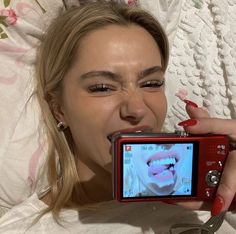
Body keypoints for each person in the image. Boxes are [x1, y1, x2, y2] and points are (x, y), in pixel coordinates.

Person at [0, 1, 235, 233]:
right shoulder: (24, 228)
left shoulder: (215, 195)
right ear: (59, 109)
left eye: (151, 83)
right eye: (102, 87)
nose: (136, 108)